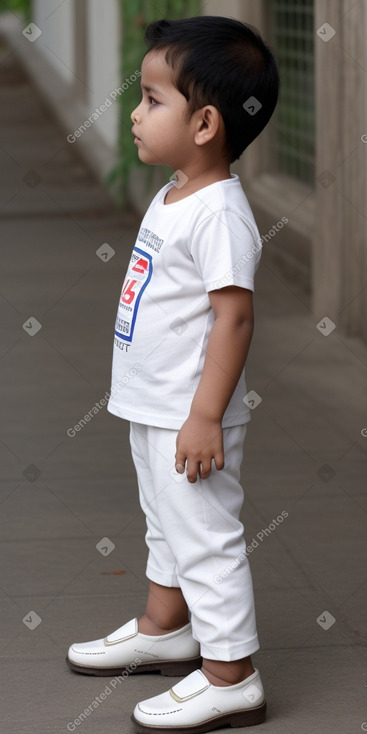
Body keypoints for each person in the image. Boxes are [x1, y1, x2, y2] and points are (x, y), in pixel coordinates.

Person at [67, 15, 279, 733]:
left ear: (205, 123)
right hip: (155, 405)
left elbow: (234, 319)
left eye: (153, 99)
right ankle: (165, 627)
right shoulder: (176, 191)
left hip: (191, 414)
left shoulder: (219, 212)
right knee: (165, 520)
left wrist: (205, 415)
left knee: (205, 534)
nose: (132, 111)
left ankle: (229, 675)